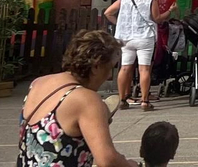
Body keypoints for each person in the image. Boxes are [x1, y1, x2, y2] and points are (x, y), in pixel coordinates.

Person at [17, 29, 138, 167]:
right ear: (96, 66)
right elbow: (107, 160)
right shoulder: (87, 100)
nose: (109, 75)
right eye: (110, 67)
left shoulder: (38, 83)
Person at [105, 0, 170, 111]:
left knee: (125, 68)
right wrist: (170, 11)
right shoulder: (151, 0)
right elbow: (157, 18)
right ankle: (145, 101)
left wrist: (120, 24)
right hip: (145, 38)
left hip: (126, 38)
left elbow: (108, 13)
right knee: (144, 69)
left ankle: (122, 100)